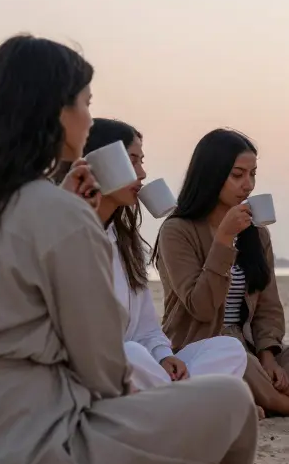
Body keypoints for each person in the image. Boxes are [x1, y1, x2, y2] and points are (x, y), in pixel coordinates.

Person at [0, 35, 257, 464]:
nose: (89, 117)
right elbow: (103, 370)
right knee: (230, 399)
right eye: (85, 103)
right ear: (55, 113)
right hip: (12, 459)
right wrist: (75, 221)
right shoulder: (60, 215)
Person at [154, 129, 289, 417]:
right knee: (236, 355)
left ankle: (254, 396)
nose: (247, 185)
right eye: (238, 175)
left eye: (252, 174)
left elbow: (268, 306)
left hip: (250, 352)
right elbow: (200, 306)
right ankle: (287, 405)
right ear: (211, 174)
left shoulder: (256, 234)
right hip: (201, 351)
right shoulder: (177, 230)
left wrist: (269, 356)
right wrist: (223, 240)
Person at [83, 119, 249, 393]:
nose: (142, 173)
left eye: (141, 161)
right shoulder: (67, 234)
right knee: (131, 355)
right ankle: (180, 405)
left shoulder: (127, 242)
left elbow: (147, 326)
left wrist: (163, 356)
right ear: (99, 163)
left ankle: (171, 403)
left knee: (228, 349)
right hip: (99, 371)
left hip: (140, 373)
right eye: (132, 161)